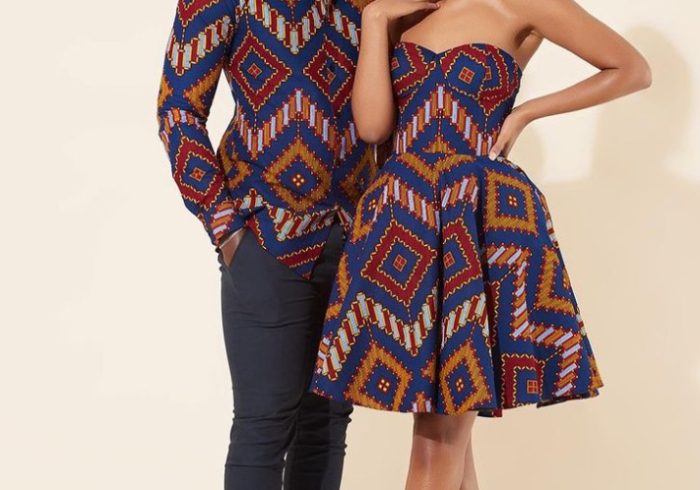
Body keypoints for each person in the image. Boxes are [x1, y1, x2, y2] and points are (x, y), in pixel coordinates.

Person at [309, 0, 652, 488]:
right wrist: (376, 19)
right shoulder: (397, 13)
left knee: (437, 442)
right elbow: (372, 128)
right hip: (406, 228)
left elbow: (631, 69)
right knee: (447, 437)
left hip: (477, 224)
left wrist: (526, 112)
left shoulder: (522, 3)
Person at [156, 1, 379, 488]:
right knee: (264, 423)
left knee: (327, 423)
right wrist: (226, 229)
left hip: (357, 237)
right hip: (266, 238)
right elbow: (177, 110)